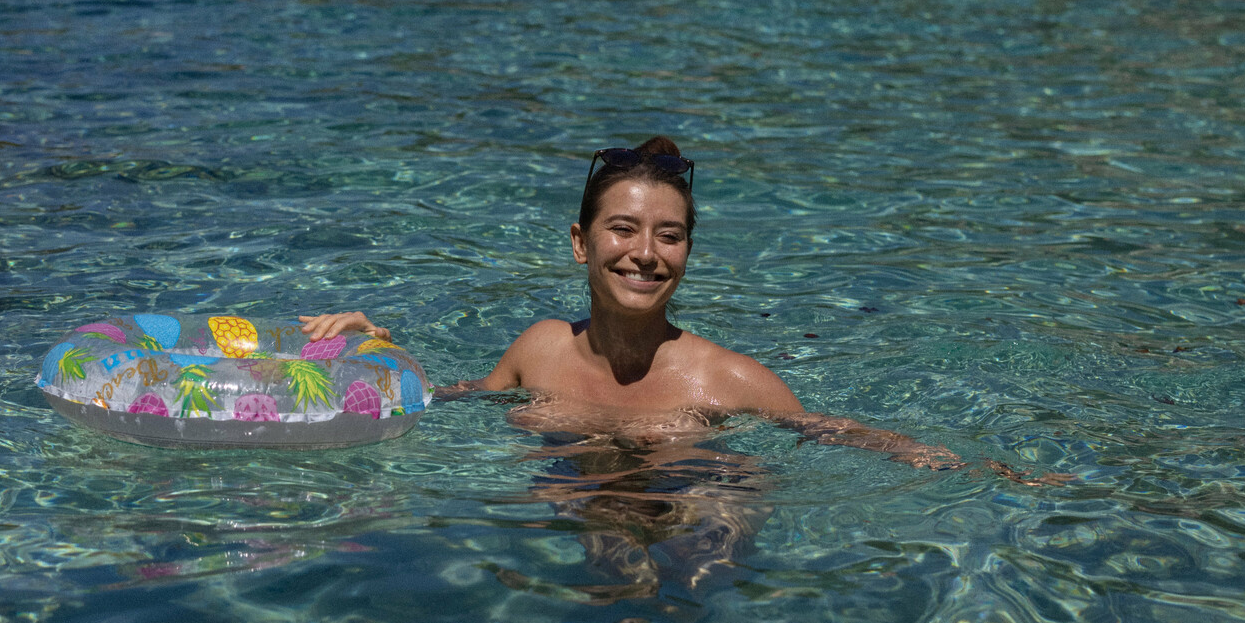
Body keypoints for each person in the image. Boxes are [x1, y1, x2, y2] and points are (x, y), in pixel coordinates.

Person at [300, 134, 959, 467]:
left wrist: (963, 465)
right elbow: (445, 398)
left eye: (669, 236)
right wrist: (376, 347)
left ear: (687, 251)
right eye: (623, 229)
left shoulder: (730, 381)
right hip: (572, 517)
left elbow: (834, 432)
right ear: (580, 242)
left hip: (694, 523)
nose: (645, 253)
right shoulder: (539, 350)